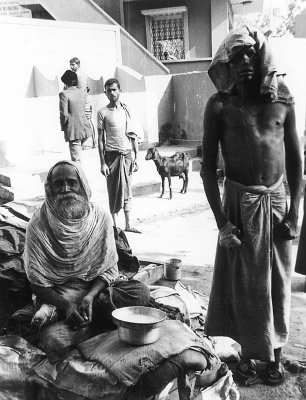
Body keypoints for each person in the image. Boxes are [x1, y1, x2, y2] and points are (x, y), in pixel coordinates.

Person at [200, 25, 302, 385]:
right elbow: (207, 169)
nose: (245, 64)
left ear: (262, 61)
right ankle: (244, 355)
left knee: (277, 282)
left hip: (276, 203)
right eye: (236, 58)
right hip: (237, 204)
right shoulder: (219, 106)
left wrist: (293, 212)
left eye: (251, 57)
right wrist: (222, 224)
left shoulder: (281, 99)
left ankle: (275, 358)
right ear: (226, 65)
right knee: (241, 284)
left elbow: (295, 160)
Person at [24, 161, 150, 338]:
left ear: (81, 184)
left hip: (96, 294)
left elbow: (108, 270)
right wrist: (66, 305)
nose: (65, 188)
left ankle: (81, 321)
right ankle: (85, 319)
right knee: (53, 340)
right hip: (59, 295)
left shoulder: (101, 219)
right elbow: (36, 282)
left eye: (71, 182)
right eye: (58, 184)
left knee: (140, 292)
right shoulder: (37, 226)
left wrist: (90, 296)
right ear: (50, 189)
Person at [97, 78, 142, 233]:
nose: (112, 93)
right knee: (113, 190)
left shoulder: (126, 110)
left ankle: (128, 224)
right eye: (109, 90)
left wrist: (136, 157)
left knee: (127, 189)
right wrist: (102, 162)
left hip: (127, 155)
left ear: (120, 90)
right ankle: (115, 226)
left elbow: (133, 135)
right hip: (111, 157)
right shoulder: (102, 112)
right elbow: (100, 140)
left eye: (114, 90)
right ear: (105, 92)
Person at [59, 70, 92, 162]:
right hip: (86, 130)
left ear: (65, 82)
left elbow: (64, 114)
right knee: (78, 156)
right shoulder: (83, 93)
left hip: (74, 130)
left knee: (76, 160)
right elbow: (88, 111)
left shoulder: (64, 94)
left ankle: (79, 176)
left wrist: (63, 127)